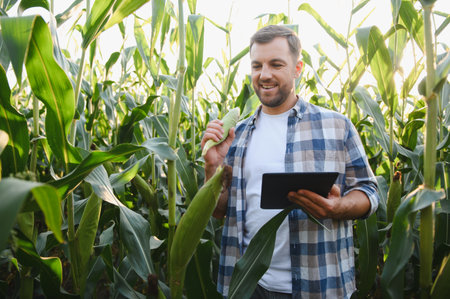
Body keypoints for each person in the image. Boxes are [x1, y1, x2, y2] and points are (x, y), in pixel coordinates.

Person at [201, 25, 379, 299]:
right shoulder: (237, 135)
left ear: (297, 69)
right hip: (248, 285)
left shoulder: (336, 126)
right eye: (257, 65)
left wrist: (336, 207)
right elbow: (219, 211)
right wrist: (212, 169)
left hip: (318, 284)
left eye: (276, 64)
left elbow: (369, 192)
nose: (265, 74)